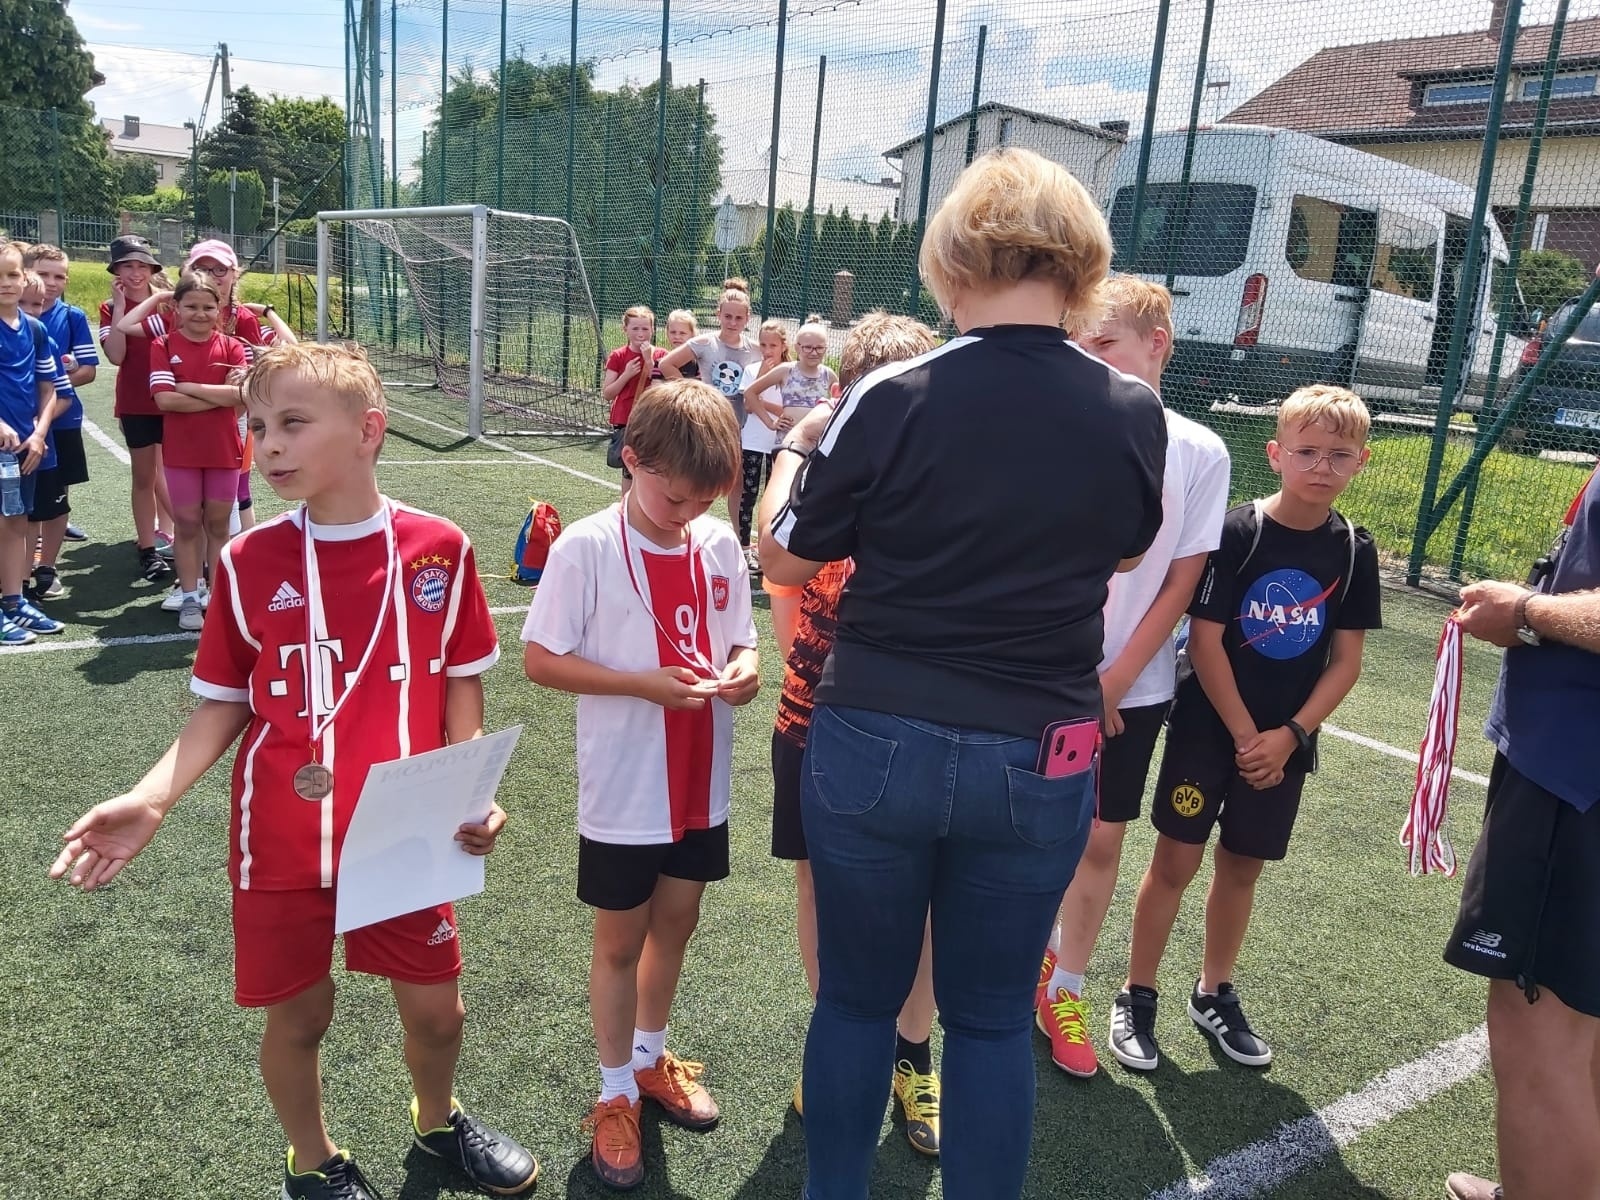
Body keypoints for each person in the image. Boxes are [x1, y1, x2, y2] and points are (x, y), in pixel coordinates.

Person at [758, 147, 1167, 1200]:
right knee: (986, 1021)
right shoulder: (1129, 407)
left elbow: (789, 558)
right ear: (1079, 258)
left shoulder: (894, 392)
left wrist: (801, 455)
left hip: (877, 731)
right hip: (1040, 748)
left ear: (950, 257)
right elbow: (1123, 551)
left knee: (854, 1002)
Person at [50, 341, 539, 1200]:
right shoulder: (247, 561)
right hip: (281, 836)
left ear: (368, 431)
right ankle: (311, 1161)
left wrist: (473, 790)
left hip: (405, 831)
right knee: (301, 1014)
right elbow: (220, 702)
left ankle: (435, 1121)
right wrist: (152, 796)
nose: (266, 444)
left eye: (291, 424)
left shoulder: (441, 548)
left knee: (437, 1010)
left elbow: (461, 679)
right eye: (257, 426)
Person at [522, 379, 760, 1191]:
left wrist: (743, 673)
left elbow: (745, 644)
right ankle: (615, 1089)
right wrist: (643, 685)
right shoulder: (585, 546)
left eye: (703, 500)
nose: (688, 511)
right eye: (674, 495)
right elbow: (540, 660)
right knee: (620, 940)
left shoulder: (719, 543)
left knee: (679, 920)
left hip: (703, 780)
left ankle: (652, 1059)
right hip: (626, 786)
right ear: (631, 461)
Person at [1114, 384, 1380, 1074]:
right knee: (1174, 861)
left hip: (1282, 748)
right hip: (1210, 731)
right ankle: (1136, 993)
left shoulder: (1353, 550)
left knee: (1242, 868)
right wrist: (1243, 733)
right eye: (1307, 451)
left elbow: (1345, 662)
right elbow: (1204, 643)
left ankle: (1213, 991)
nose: (1321, 466)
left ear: (1362, 462)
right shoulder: (1239, 532)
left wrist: (1289, 735)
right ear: (1276, 454)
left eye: (1339, 454)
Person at [1035, 276, 1231, 1078]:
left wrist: (1113, 683)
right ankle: (1023, 965)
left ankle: (1067, 987)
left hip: (1132, 689)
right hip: (1037, 675)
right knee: (1019, 832)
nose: (1090, 359)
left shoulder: (1200, 450)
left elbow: (1181, 584)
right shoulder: (1049, 428)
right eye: (1079, 344)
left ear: (1159, 344)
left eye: (1105, 342)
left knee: (1102, 837)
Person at [757, 311, 944, 1152]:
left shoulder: (948, 491)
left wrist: (796, 449)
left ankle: (912, 1054)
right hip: (813, 719)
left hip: (914, 727)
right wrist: (800, 453)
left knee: (925, 904)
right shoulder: (827, 489)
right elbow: (780, 579)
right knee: (821, 894)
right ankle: (843, 1044)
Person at [1442, 341, 1600, 1200]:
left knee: (1538, 1026)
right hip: (1571, 763)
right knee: (1578, 1022)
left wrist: (1529, 611)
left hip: (1578, 775)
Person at [125, 273, 248, 631]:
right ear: (175, 307)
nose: (200, 313)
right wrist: (216, 397)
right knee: (188, 525)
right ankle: (191, 597)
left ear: (219, 308)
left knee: (218, 525)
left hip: (224, 450)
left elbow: (239, 396)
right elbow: (165, 399)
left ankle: (218, 594)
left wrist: (190, 388)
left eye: (208, 307)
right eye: (191, 306)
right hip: (181, 453)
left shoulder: (233, 347)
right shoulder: (162, 345)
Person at [181, 238, 298, 534]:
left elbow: (290, 347)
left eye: (220, 269)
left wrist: (268, 312)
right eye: (203, 268)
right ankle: (197, 558)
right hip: (185, 418)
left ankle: (235, 557)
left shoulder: (241, 317)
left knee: (235, 489)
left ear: (234, 273)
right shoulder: (181, 311)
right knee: (189, 494)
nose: (212, 275)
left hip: (234, 419)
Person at [99, 235, 176, 582]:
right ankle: (148, 550)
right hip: (136, 403)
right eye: (127, 265)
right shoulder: (108, 307)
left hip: (173, 401)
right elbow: (116, 355)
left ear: (151, 268)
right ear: (115, 270)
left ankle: (184, 540)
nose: (135, 272)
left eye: (141, 265)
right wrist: (118, 306)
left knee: (176, 475)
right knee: (144, 478)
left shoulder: (166, 305)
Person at [658, 278, 762, 534]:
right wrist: (694, 393)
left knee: (736, 483)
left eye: (739, 318)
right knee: (697, 474)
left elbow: (781, 367)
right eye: (728, 316)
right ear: (719, 314)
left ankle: (740, 538)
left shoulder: (756, 350)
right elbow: (666, 365)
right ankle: (682, 527)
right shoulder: (705, 343)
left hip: (740, 425)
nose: (733, 322)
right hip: (707, 422)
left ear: (748, 318)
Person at [747, 319, 836, 608]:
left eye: (819, 347)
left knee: (811, 501)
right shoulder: (786, 370)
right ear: (796, 347)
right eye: (807, 346)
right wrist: (771, 421)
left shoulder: (828, 375)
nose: (813, 352)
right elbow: (750, 393)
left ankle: (804, 557)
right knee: (778, 500)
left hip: (817, 451)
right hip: (787, 447)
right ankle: (768, 555)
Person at [1, 246, 65, 644]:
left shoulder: (35, 328)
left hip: (24, 448)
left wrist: (39, 433)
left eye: (10, 275)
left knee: (16, 524)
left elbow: (49, 389)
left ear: (24, 278)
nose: (5, 284)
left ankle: (13, 600)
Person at [23, 243, 96, 568]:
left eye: (59, 276)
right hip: (17, 423)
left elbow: (87, 370)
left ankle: (45, 556)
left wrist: (46, 396)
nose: (51, 283)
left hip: (61, 419)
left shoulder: (71, 317)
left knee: (55, 487)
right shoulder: (12, 317)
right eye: (43, 274)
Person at [17, 266, 79, 604]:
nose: (29, 312)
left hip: (39, 448)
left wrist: (37, 428)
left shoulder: (44, 338)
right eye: (22, 303)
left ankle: (25, 586)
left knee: (34, 517)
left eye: (36, 305)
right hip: (10, 446)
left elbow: (62, 394)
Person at [731, 318, 791, 566]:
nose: (767, 351)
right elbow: (747, 404)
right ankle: (744, 548)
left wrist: (758, 400)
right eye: (763, 345)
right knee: (749, 494)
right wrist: (759, 383)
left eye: (773, 346)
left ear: (783, 346)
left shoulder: (792, 371)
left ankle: (770, 548)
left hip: (780, 444)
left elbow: (790, 410)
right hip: (753, 442)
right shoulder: (752, 370)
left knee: (775, 497)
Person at [602, 305, 664, 495]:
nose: (640, 333)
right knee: (629, 469)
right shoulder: (618, 356)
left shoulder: (661, 355)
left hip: (651, 418)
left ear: (652, 330)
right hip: (626, 418)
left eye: (645, 328)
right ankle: (626, 508)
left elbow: (661, 388)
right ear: (625, 329)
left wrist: (649, 363)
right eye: (635, 328)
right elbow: (607, 393)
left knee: (651, 466)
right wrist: (626, 374)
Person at [665, 309, 700, 379]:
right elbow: (656, 387)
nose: (677, 337)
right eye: (673, 332)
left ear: (692, 335)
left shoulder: (698, 364)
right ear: (667, 333)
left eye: (682, 333)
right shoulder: (660, 362)